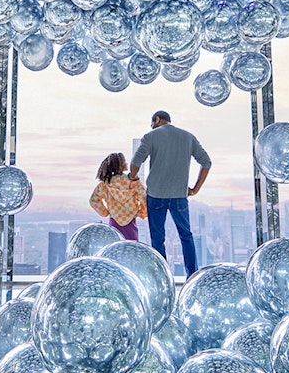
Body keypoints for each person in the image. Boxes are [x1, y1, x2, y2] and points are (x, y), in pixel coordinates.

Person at [129, 110, 211, 276]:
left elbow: (135, 162)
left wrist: (132, 178)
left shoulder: (150, 136)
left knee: (158, 239)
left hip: (156, 196)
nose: (152, 127)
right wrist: (195, 189)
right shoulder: (188, 137)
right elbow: (206, 162)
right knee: (186, 236)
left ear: (157, 119)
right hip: (179, 196)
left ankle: (162, 277)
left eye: (152, 123)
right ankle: (192, 275)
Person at [89, 152, 147, 241]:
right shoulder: (133, 181)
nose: (127, 163)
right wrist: (141, 212)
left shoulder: (105, 183)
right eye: (124, 162)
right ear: (120, 166)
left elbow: (93, 200)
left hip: (113, 220)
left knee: (115, 247)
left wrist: (105, 212)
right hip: (130, 221)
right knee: (132, 247)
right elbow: (144, 198)